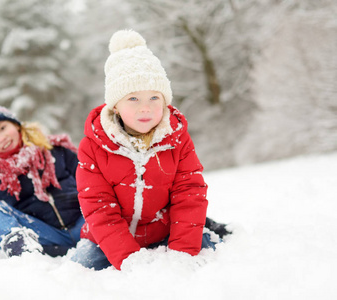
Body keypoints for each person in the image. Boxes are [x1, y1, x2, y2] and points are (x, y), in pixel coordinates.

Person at [71, 30, 230, 270]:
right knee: (80, 268)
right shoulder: (93, 146)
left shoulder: (177, 139)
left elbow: (189, 194)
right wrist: (129, 260)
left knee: (211, 254)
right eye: (133, 99)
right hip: (108, 240)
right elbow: (99, 208)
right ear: (115, 106)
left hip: (164, 231)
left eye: (154, 98)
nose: (145, 108)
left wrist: (182, 253)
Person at [0, 103, 83, 257]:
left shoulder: (55, 151)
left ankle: (96, 242)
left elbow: (91, 180)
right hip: (45, 237)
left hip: (83, 225)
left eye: (2, 128)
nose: (1, 138)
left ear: (16, 125)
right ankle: (24, 252)